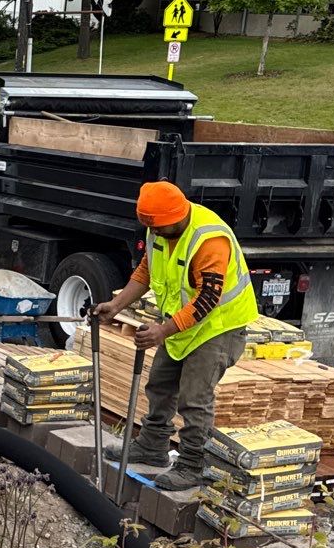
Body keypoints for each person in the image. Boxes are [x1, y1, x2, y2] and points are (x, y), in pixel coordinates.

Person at [92, 181, 258, 491]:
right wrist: (115, 305)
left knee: (195, 398)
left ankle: (193, 464)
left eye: (158, 227)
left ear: (177, 217)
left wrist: (162, 331)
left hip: (218, 327)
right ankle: (153, 446)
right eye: (149, 227)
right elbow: (146, 271)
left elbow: (208, 298)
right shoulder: (158, 227)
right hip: (183, 324)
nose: (153, 233)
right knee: (160, 383)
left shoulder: (209, 240)